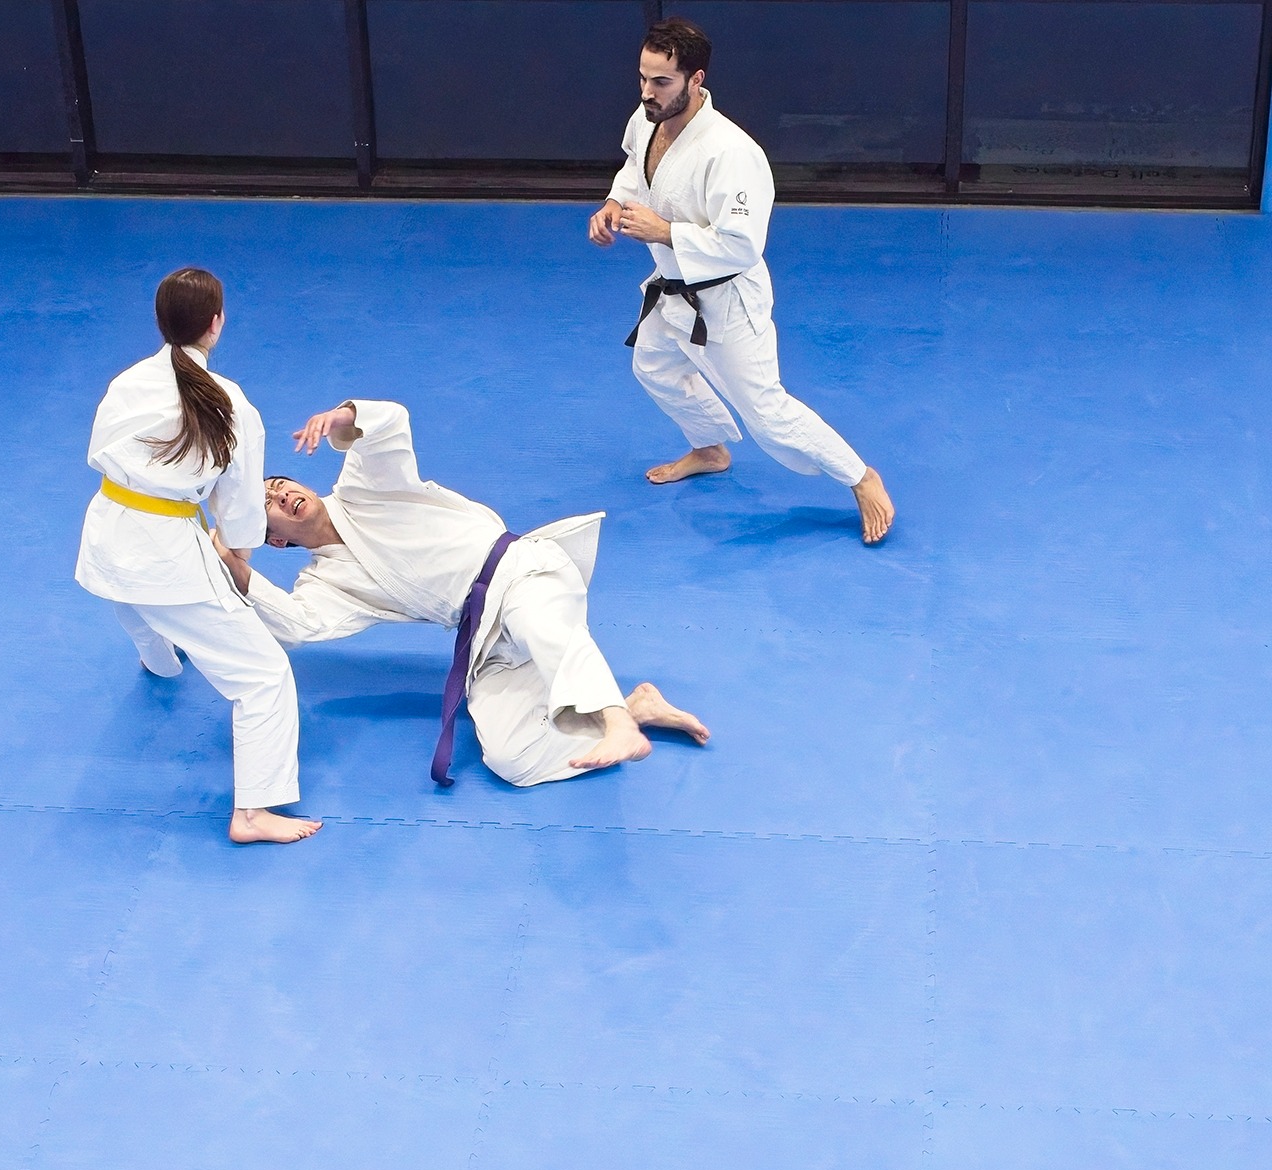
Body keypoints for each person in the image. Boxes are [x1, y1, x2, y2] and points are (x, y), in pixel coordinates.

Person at [211, 399, 709, 789]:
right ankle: (634, 706)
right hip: (484, 633)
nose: (282, 494)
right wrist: (234, 565)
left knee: (540, 623)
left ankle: (616, 723)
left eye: (279, 483)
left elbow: (390, 426)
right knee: (511, 758)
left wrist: (343, 417)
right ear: (275, 540)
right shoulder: (326, 582)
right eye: (268, 503)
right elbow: (299, 624)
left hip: (522, 570)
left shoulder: (364, 489)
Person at [588, 16, 896, 545]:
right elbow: (634, 170)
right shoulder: (648, 120)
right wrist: (615, 202)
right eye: (642, 78)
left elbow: (742, 244)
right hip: (674, 289)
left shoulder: (733, 153)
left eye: (661, 81)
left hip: (726, 299)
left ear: (696, 79)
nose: (647, 92)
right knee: (654, 365)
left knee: (768, 415)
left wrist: (664, 231)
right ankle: (709, 449)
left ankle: (860, 477)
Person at [74, 267, 320, 844]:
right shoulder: (231, 403)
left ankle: (159, 661)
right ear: (216, 323)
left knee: (135, 603)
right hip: (164, 557)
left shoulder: (127, 382)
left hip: (106, 532)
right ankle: (252, 814)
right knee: (264, 676)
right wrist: (237, 564)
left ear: (161, 322)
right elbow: (240, 509)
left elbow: (99, 451)